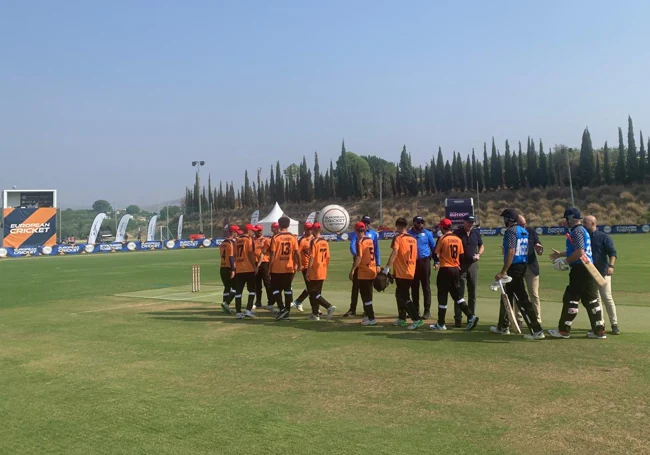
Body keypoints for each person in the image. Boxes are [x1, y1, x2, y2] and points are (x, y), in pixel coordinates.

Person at [548, 208, 607, 339]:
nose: (566, 222)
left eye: (566, 219)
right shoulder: (583, 231)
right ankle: (599, 331)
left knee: (571, 298)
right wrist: (563, 254)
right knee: (591, 300)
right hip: (588, 268)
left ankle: (563, 330)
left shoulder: (577, 231)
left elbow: (580, 252)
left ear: (571, 218)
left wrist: (565, 261)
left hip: (580, 269)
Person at [490, 209, 545, 340]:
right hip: (522, 265)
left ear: (509, 219)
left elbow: (511, 252)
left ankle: (536, 330)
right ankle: (502, 326)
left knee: (522, 299)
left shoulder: (510, 232)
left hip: (514, 267)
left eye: (505, 219)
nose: (504, 221)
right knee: (506, 298)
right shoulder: (523, 231)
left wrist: (503, 272)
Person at [430, 218, 479, 332]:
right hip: (456, 270)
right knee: (457, 296)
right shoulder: (458, 239)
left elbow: (434, 254)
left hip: (445, 269)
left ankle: (441, 323)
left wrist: (437, 261)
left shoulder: (442, 238)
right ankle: (471, 316)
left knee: (442, 296)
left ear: (442, 227)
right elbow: (461, 256)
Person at [583, 215, 620, 335]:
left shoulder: (603, 237)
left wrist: (611, 266)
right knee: (596, 300)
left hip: (603, 272)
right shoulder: (584, 237)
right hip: (590, 273)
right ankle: (600, 324)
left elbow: (613, 253)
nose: (583, 224)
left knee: (607, 298)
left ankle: (614, 324)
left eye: (585, 222)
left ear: (593, 223)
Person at [386, 217, 423, 330]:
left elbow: (395, 252)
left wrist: (387, 267)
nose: (396, 229)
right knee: (399, 294)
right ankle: (402, 319)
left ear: (400, 226)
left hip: (402, 272)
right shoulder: (413, 239)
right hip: (411, 270)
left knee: (405, 296)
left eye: (397, 227)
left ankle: (416, 320)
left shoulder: (398, 238)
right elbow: (416, 256)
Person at [344, 215, 380, 317]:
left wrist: (378, 264)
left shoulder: (372, 234)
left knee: (367, 290)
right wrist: (358, 256)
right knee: (356, 287)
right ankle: (353, 309)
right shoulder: (357, 236)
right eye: (365, 222)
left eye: (368, 222)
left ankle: (367, 311)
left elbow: (376, 250)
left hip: (366, 265)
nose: (367, 224)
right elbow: (352, 247)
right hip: (360, 263)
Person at [453, 214, 484, 328]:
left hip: (473, 265)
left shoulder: (475, 233)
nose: (471, 224)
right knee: (459, 293)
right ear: (464, 222)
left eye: (472, 222)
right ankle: (458, 319)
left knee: (472, 293)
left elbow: (481, 246)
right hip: (460, 266)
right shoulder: (457, 233)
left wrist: (479, 254)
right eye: (469, 222)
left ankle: (471, 317)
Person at [269, 216, 301, 321]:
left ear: (279, 224)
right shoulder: (293, 237)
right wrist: (299, 264)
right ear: (288, 225)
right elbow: (297, 252)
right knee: (287, 289)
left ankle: (282, 309)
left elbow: (273, 254)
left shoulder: (276, 237)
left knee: (274, 289)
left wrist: (270, 267)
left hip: (277, 267)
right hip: (289, 267)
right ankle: (287, 312)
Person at [407, 216, 437, 319]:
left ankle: (427, 311)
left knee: (426, 287)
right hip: (412, 263)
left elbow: (434, 248)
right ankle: (415, 310)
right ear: (414, 223)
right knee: (414, 287)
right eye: (418, 222)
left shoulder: (428, 234)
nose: (421, 224)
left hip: (424, 261)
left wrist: (436, 261)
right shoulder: (409, 234)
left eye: (422, 222)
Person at [305, 222, 336, 321]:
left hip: (315, 269)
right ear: (320, 230)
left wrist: (308, 270)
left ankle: (328, 307)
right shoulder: (325, 242)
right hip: (323, 268)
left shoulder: (314, 241)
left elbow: (312, 257)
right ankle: (315, 314)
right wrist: (325, 267)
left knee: (313, 293)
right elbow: (328, 257)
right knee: (317, 292)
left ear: (313, 230)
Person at [517, 215, 543, 326]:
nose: (524, 226)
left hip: (531, 267)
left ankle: (537, 320)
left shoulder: (531, 231)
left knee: (534, 294)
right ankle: (519, 319)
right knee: (517, 294)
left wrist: (539, 249)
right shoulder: (513, 233)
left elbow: (539, 248)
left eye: (525, 224)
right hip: (517, 266)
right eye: (521, 224)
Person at [233, 224, 258, 319]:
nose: (253, 232)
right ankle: (248, 310)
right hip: (248, 268)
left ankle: (238, 312)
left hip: (239, 269)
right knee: (252, 290)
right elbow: (250, 253)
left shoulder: (237, 240)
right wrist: (254, 266)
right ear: (248, 231)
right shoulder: (249, 240)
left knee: (238, 291)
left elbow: (235, 255)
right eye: (252, 230)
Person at [291, 222, 314, 312]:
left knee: (311, 287)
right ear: (304, 229)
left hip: (313, 266)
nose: (310, 230)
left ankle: (298, 301)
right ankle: (315, 309)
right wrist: (297, 264)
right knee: (311, 287)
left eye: (311, 228)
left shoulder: (314, 238)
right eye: (308, 229)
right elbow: (296, 253)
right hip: (305, 266)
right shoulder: (302, 240)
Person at [253, 224, 273, 311]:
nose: (258, 231)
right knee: (257, 284)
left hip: (264, 263)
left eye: (259, 230)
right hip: (255, 263)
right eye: (257, 230)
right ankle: (258, 302)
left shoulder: (266, 240)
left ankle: (270, 302)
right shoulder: (252, 240)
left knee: (267, 283)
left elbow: (271, 252)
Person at [219, 225, 238, 314]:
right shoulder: (231, 243)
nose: (237, 234)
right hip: (229, 267)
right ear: (233, 233)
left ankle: (224, 305)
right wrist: (233, 269)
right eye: (236, 232)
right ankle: (226, 303)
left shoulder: (223, 243)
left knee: (227, 287)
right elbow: (231, 257)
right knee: (235, 288)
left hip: (222, 267)